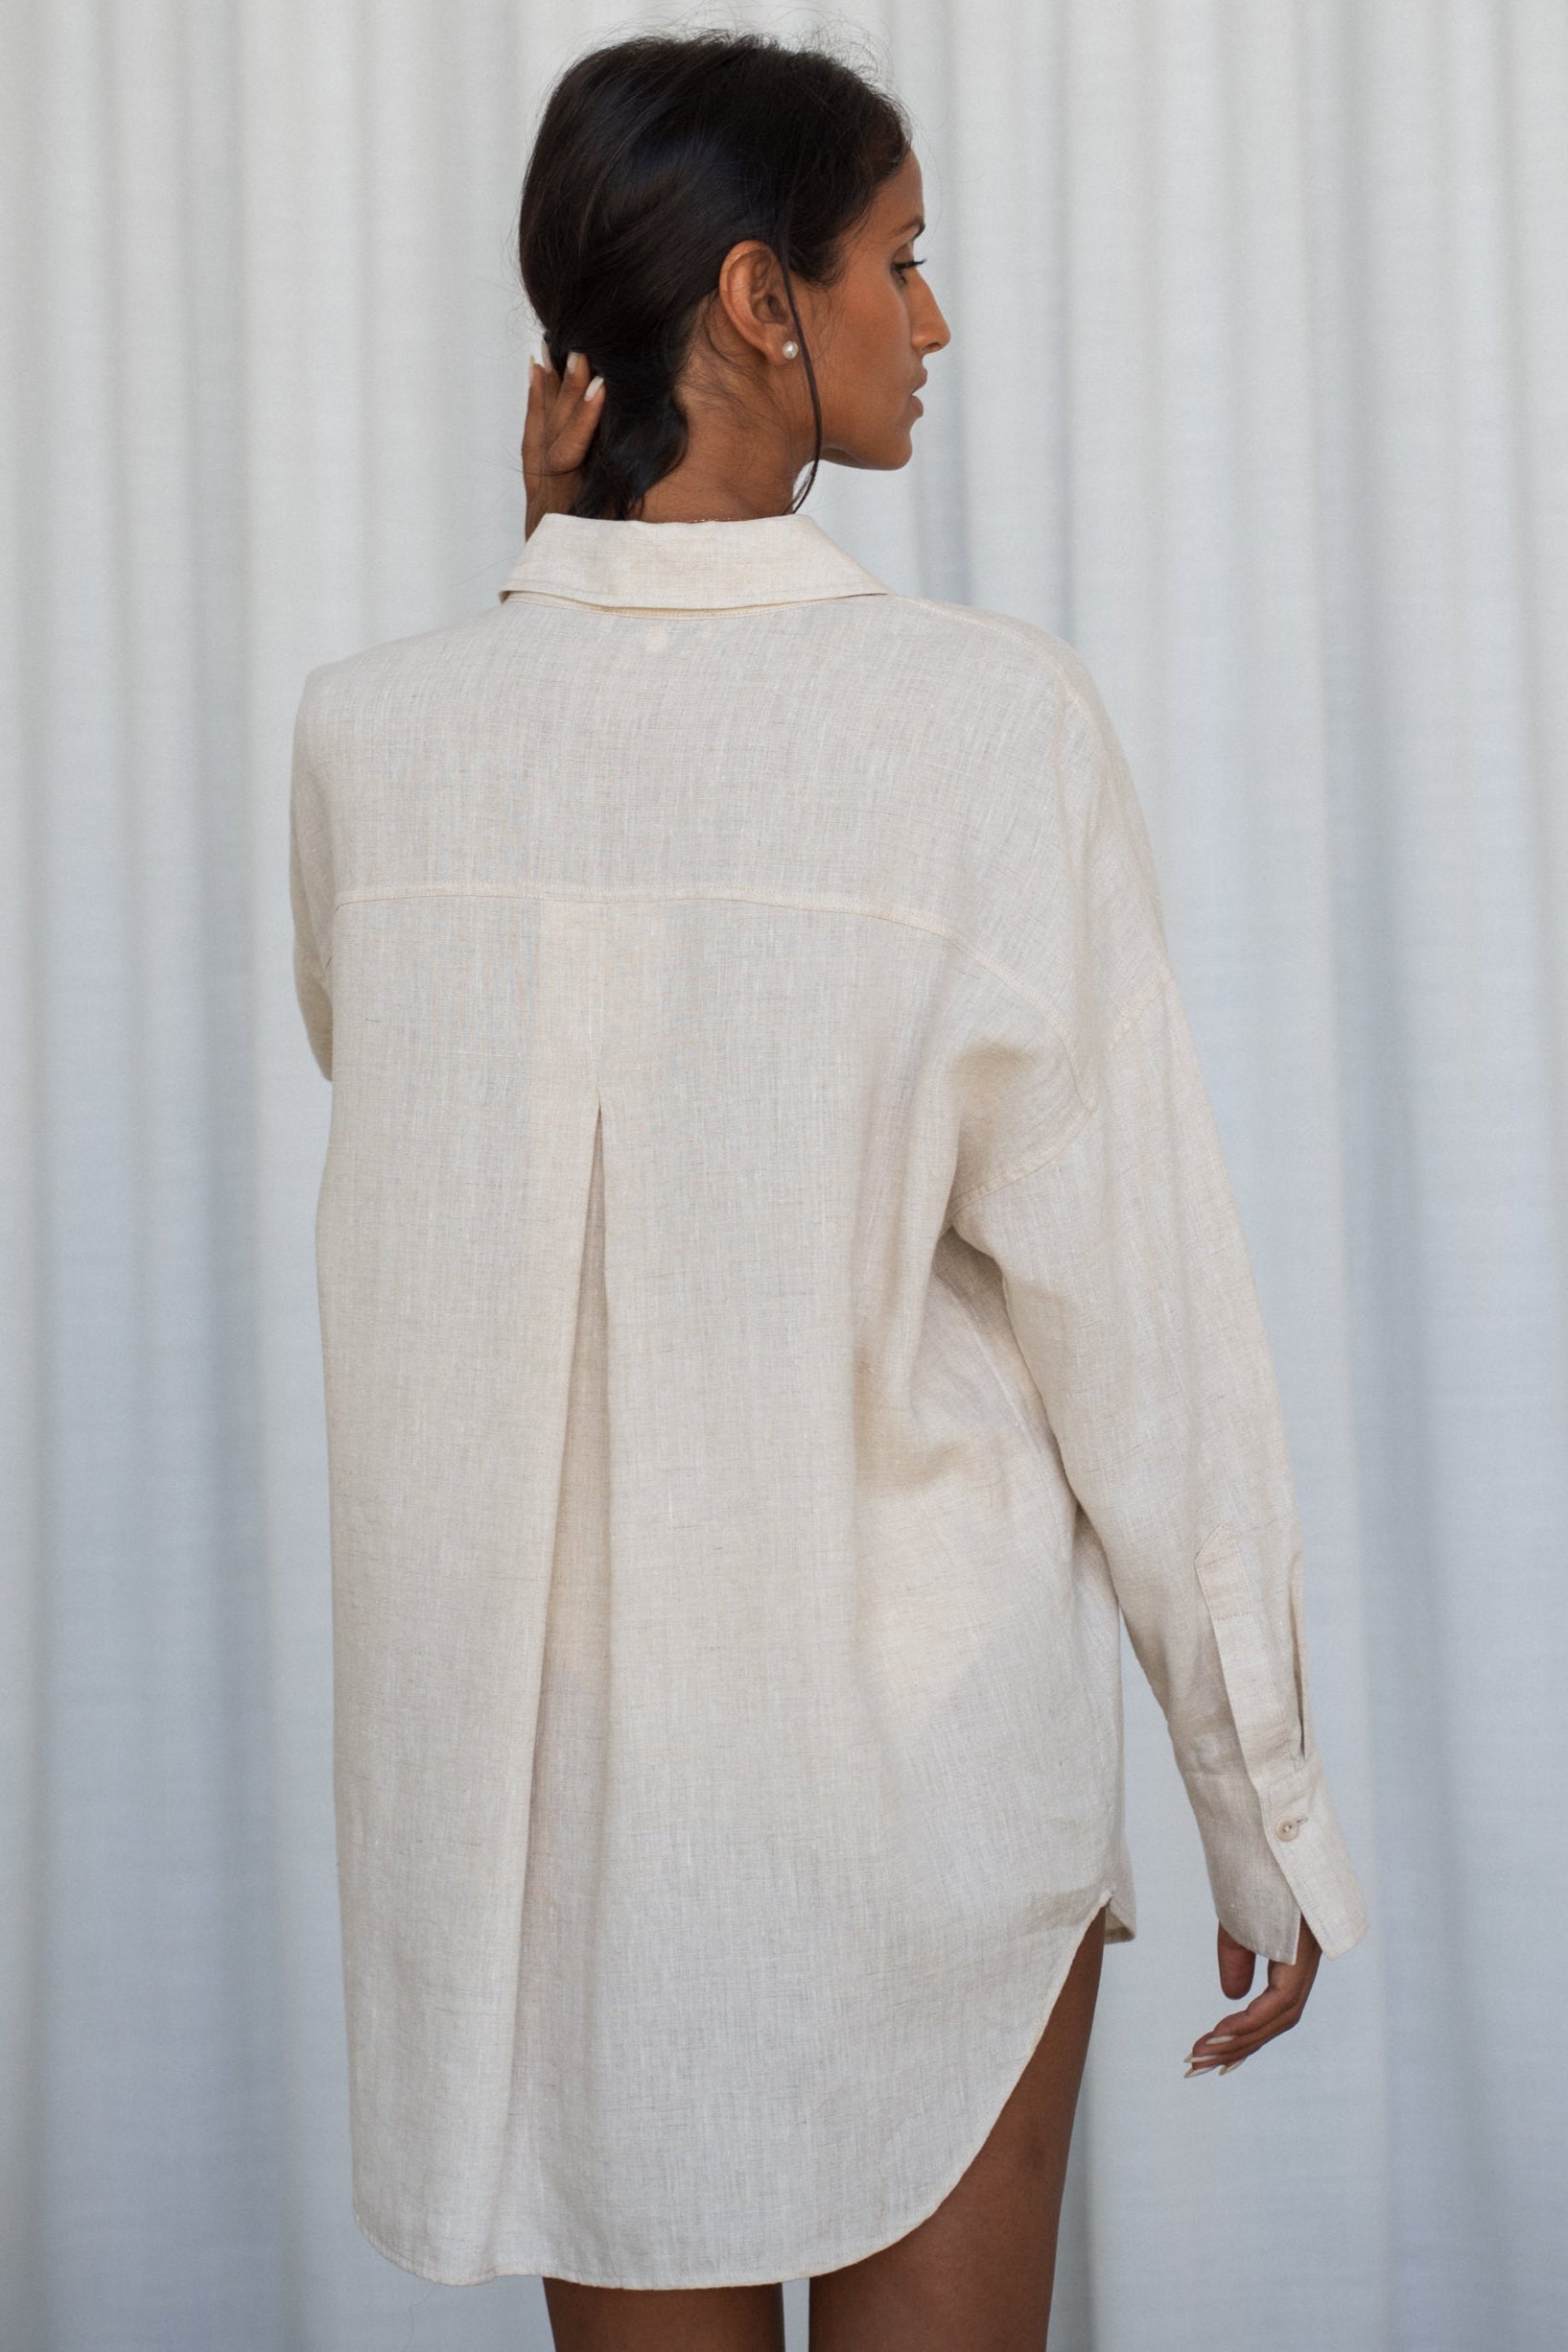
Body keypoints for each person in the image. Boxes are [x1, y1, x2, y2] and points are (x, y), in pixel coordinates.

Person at [288, 28, 1369, 2352]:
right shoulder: (982, 723)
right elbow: (1140, 1309)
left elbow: (416, 1095)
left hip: (559, 1798)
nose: (936, 318)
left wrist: (536, 581)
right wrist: (1254, 1794)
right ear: (763, 301)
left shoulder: (379, 740)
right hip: (915, 1776)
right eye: (900, 259)